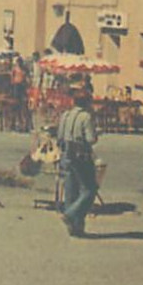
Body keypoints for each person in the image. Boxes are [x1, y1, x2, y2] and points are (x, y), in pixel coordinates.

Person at [57, 88, 99, 237]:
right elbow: (91, 139)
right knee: (89, 189)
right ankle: (70, 214)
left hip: (66, 153)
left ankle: (76, 228)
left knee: (71, 190)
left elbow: (60, 136)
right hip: (81, 154)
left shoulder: (65, 115)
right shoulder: (86, 117)